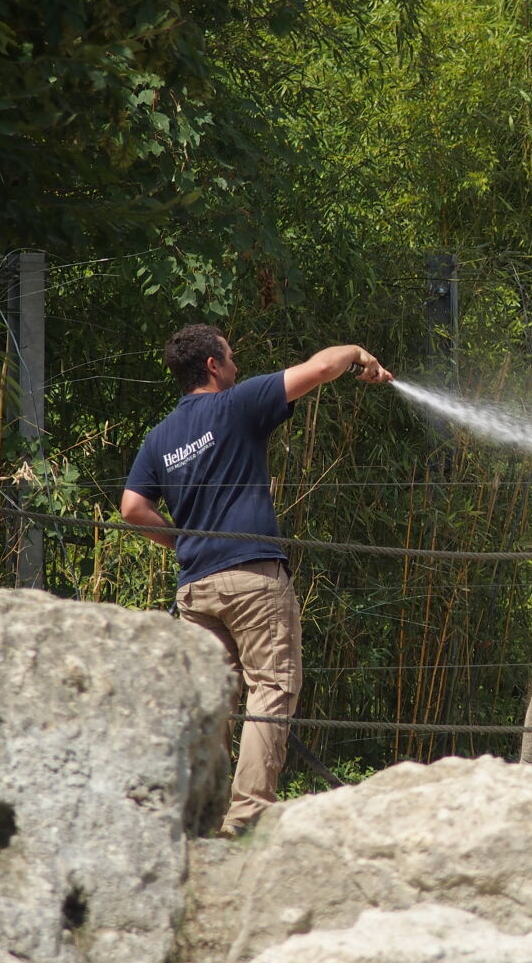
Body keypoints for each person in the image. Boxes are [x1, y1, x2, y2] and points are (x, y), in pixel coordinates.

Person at [121, 324, 393, 837]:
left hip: (196, 590)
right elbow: (320, 367)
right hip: (251, 578)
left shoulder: (160, 438)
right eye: (231, 356)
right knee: (271, 688)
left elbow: (133, 508)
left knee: (210, 701)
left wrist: (182, 543)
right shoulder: (235, 405)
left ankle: (200, 818)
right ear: (212, 366)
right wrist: (357, 351)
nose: (238, 365)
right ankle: (246, 819)